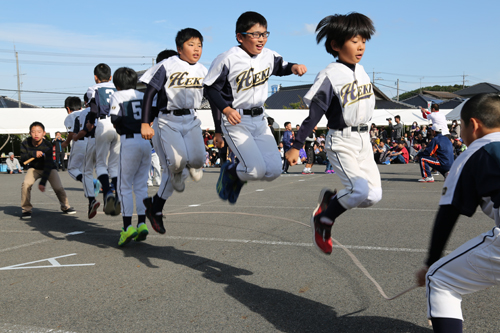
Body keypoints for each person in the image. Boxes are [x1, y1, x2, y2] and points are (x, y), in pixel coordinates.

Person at [285, 12, 380, 255]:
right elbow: (314, 114)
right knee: (358, 191)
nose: (360, 46)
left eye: (363, 40)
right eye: (354, 40)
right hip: (341, 140)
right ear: (336, 45)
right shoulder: (330, 74)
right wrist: (296, 145)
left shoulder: (362, 72)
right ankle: (323, 220)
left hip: (364, 140)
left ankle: (330, 200)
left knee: (372, 196)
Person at [415, 93, 500, 333]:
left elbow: (448, 214)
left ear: (473, 125)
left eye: (460, 126)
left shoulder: (474, 153)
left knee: (440, 280)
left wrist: (430, 263)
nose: (459, 132)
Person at [204, 11, 307, 204]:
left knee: (274, 170)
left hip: (260, 120)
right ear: (240, 37)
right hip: (236, 120)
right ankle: (230, 173)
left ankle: (235, 173)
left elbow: (282, 66)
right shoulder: (227, 58)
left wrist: (294, 67)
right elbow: (210, 89)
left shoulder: (268, 55)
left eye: (264, 34)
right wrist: (226, 110)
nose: (261, 39)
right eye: (255, 34)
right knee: (255, 169)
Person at [140, 29, 207, 234]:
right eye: (191, 44)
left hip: (191, 118)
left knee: (195, 161)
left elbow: (216, 94)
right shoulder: (166, 67)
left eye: (199, 45)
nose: (196, 49)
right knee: (174, 167)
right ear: (179, 50)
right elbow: (149, 96)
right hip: (167, 121)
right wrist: (146, 122)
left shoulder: (202, 70)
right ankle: (156, 209)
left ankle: (156, 205)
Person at [109, 67, 150, 246]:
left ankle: (127, 227)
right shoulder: (142, 95)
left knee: (124, 186)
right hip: (146, 142)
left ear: (117, 84)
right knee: (141, 186)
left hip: (130, 141)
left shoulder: (117, 95)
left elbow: (114, 118)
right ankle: (142, 224)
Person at [20, 122, 76, 219]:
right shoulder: (25, 143)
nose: (36, 134)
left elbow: (49, 164)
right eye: (33, 132)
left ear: (44, 133)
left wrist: (43, 182)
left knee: (58, 188)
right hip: (34, 168)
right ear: (30, 133)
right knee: (26, 184)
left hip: (49, 168)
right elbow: (22, 159)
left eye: (39, 132)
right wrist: (33, 153)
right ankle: (26, 209)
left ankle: (65, 206)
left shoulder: (47, 145)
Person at [86, 63, 120, 216]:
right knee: (114, 165)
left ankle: (107, 193)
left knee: (101, 164)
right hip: (119, 124)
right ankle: (118, 196)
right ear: (111, 77)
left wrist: (90, 121)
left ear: (95, 77)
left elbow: (93, 109)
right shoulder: (117, 87)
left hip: (104, 122)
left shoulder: (93, 88)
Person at [73, 94, 101, 219]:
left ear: (86, 102)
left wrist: (73, 138)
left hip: (92, 140)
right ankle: (111, 193)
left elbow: (84, 130)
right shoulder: (109, 105)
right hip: (114, 139)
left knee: (87, 171)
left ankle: (91, 200)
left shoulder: (85, 112)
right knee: (109, 168)